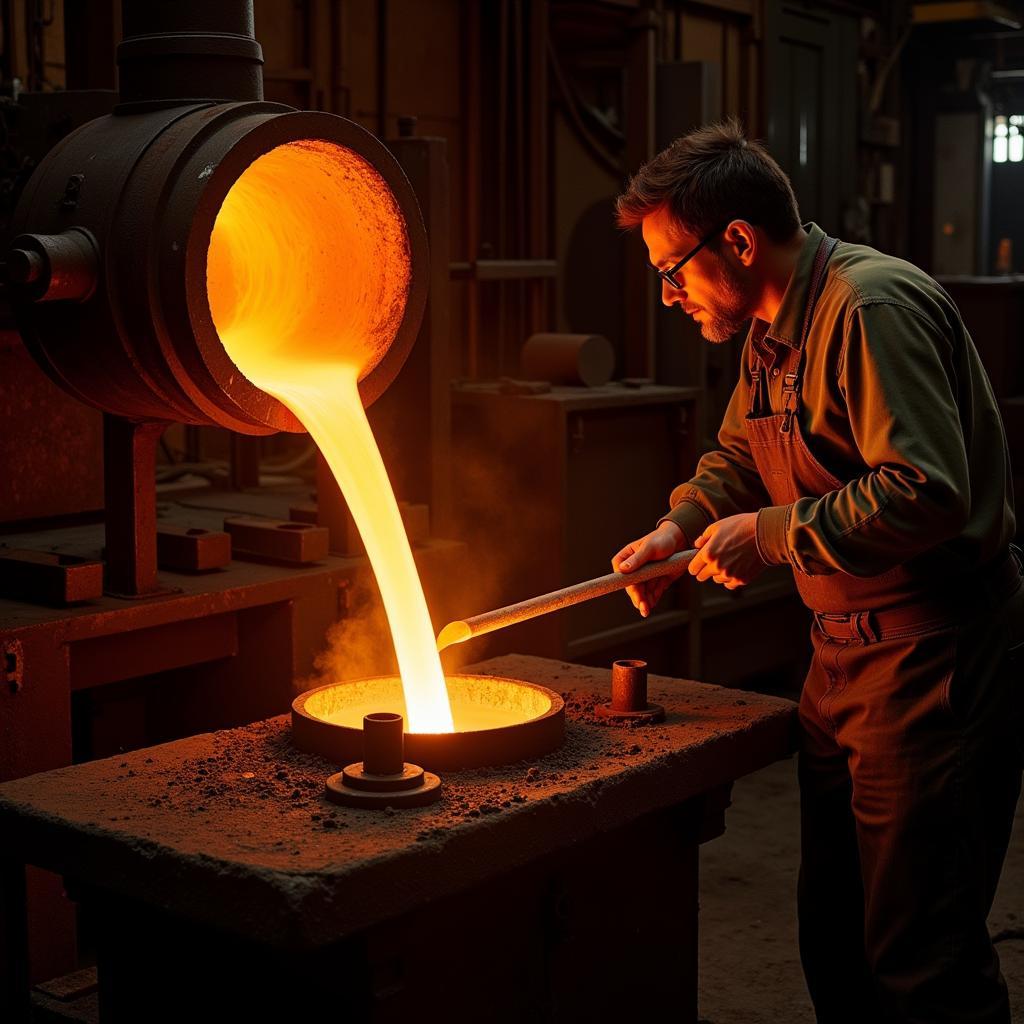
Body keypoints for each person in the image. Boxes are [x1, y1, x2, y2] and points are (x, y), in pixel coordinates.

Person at [612, 118, 1024, 1023]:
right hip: (837, 660)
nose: (669, 294)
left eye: (671, 270)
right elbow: (738, 456)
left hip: (930, 657)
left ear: (739, 241)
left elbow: (927, 491)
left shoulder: (868, 310)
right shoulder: (767, 330)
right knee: (834, 937)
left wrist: (770, 535)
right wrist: (678, 525)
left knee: (922, 960)